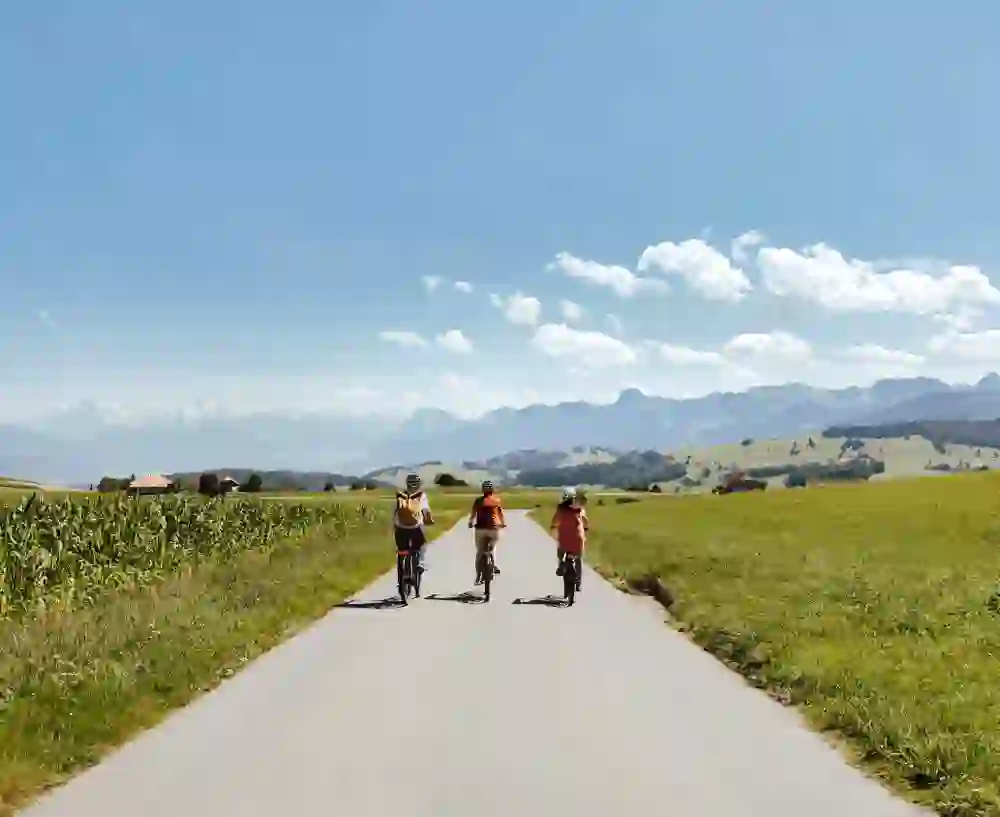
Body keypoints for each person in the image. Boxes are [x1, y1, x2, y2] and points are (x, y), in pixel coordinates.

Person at [393, 473, 434, 571]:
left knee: (402, 549)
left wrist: (394, 524)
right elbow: (426, 511)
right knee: (421, 544)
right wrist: (430, 520)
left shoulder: (401, 496)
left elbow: (394, 511)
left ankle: (401, 568)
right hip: (416, 527)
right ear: (419, 485)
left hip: (401, 527)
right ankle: (420, 563)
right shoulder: (421, 496)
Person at [468, 479, 506, 584]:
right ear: (493, 490)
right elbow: (501, 514)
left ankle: (478, 576)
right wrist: (503, 524)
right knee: (491, 548)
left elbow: (472, 515)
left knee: (480, 552)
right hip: (494, 529)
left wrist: (470, 522)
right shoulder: (497, 500)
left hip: (481, 529)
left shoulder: (478, 501)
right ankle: (492, 564)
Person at [549, 486, 588, 590]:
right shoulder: (580, 508)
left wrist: (553, 526)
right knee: (578, 559)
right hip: (578, 537)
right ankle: (578, 583)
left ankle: (561, 565)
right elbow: (585, 520)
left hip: (564, 536)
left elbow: (555, 519)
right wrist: (586, 528)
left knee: (561, 551)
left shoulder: (561, 508)